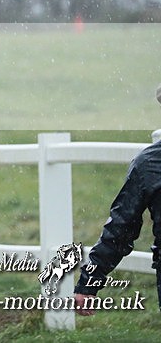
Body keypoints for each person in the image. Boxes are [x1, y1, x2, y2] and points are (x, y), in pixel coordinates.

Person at [73, 85, 161, 315]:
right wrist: (89, 283)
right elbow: (122, 226)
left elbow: (122, 227)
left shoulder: (150, 164)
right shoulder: (149, 164)